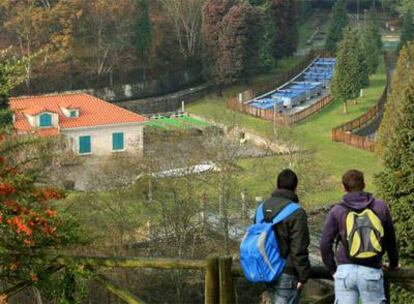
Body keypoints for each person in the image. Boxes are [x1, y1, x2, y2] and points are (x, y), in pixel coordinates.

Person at [320, 170, 399, 304]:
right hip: (371, 271)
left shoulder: (337, 210)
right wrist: (393, 264)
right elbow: (391, 240)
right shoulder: (380, 207)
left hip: (345, 271)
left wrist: (333, 269)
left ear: (344, 187)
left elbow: (325, 245)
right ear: (364, 184)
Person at [255, 169, 311, 304]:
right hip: (286, 272)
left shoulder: (260, 209)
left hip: (264, 269)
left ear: (277, 185)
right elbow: (299, 248)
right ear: (295, 188)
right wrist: (303, 276)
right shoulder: (297, 212)